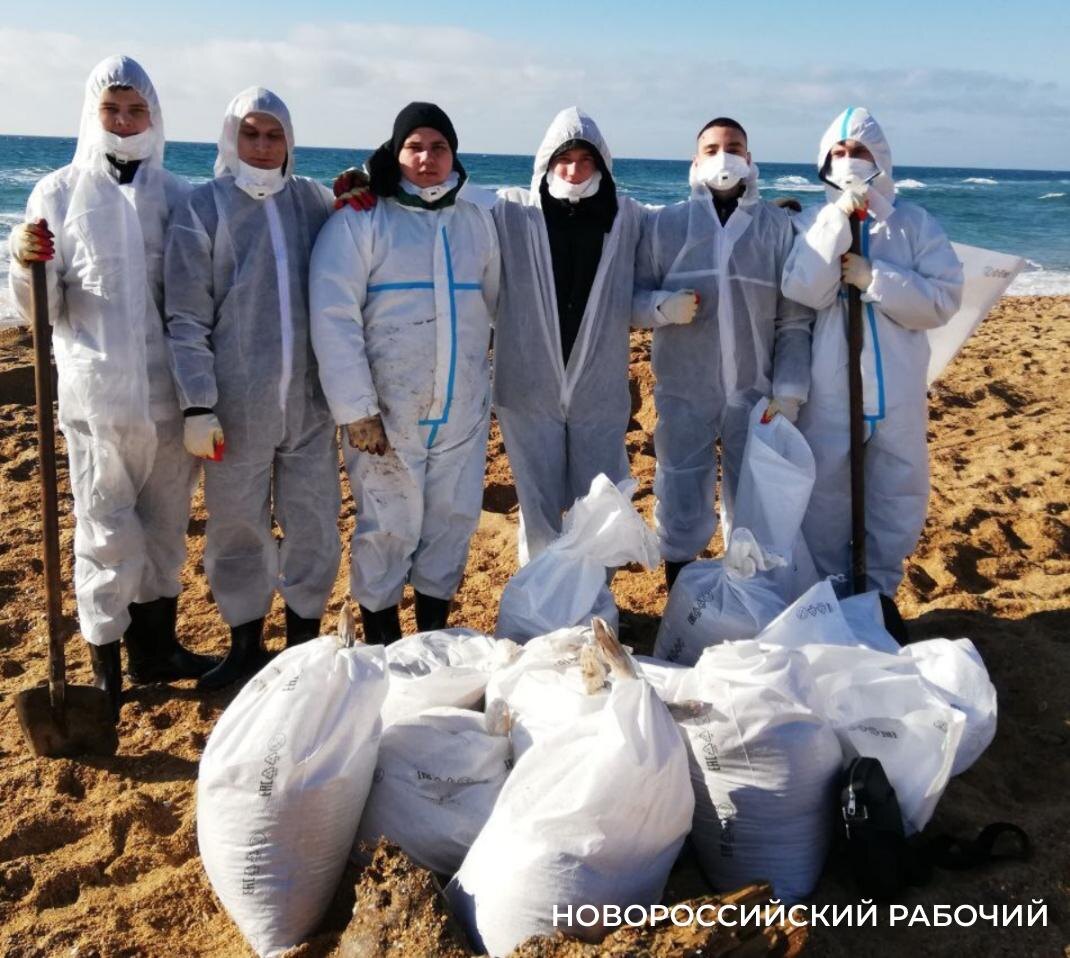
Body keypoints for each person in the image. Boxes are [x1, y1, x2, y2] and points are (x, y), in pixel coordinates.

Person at [7, 55, 215, 718]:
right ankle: (105, 663)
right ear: (94, 113)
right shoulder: (58, 194)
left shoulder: (180, 195)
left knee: (163, 531)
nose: (125, 121)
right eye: (112, 109)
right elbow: (39, 311)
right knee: (104, 532)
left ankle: (157, 650)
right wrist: (22, 264)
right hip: (97, 401)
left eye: (136, 110)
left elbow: (203, 292)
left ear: (154, 115)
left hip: (170, 397)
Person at [164, 88, 342, 690]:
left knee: (314, 520)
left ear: (290, 141)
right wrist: (197, 403)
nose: (263, 147)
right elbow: (186, 316)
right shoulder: (203, 208)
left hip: (311, 404)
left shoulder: (313, 203)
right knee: (237, 522)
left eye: (274, 136)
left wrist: (361, 186)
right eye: (251, 135)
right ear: (230, 138)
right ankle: (244, 646)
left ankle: (301, 645)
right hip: (234, 406)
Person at [310, 102, 499, 642]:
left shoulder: (476, 222)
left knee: (452, 519)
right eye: (414, 147)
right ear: (396, 153)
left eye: (439, 147)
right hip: (387, 415)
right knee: (388, 523)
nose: (427, 158)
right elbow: (333, 313)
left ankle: (433, 635)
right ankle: (384, 636)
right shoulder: (362, 220)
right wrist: (356, 409)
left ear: (454, 154)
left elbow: (496, 302)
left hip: (460, 409)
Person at [492, 107, 696, 563]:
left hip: (597, 391)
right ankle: (542, 599)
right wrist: (371, 182)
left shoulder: (627, 218)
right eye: (564, 160)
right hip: (527, 387)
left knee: (599, 499)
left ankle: (593, 600)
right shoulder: (513, 213)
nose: (574, 170)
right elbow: (445, 200)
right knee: (537, 504)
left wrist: (661, 308)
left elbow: (635, 292)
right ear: (546, 162)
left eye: (586, 160)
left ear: (602, 164)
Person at [782, 106, 963, 596]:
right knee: (825, 496)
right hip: (831, 388)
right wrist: (837, 220)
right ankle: (830, 593)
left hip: (899, 389)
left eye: (858, 151)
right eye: (838, 153)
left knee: (897, 491)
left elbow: (943, 299)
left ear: (879, 156)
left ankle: (880, 593)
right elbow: (803, 289)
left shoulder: (913, 225)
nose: (848, 160)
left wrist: (874, 278)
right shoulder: (812, 226)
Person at [633, 117, 813, 589]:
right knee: (679, 487)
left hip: (756, 393)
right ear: (695, 162)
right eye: (711, 148)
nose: (723, 157)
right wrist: (661, 308)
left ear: (750, 161)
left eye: (733, 147)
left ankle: (748, 595)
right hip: (684, 390)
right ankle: (680, 591)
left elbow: (792, 319)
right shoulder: (663, 226)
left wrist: (791, 389)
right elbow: (629, 300)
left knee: (752, 499)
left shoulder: (778, 229)